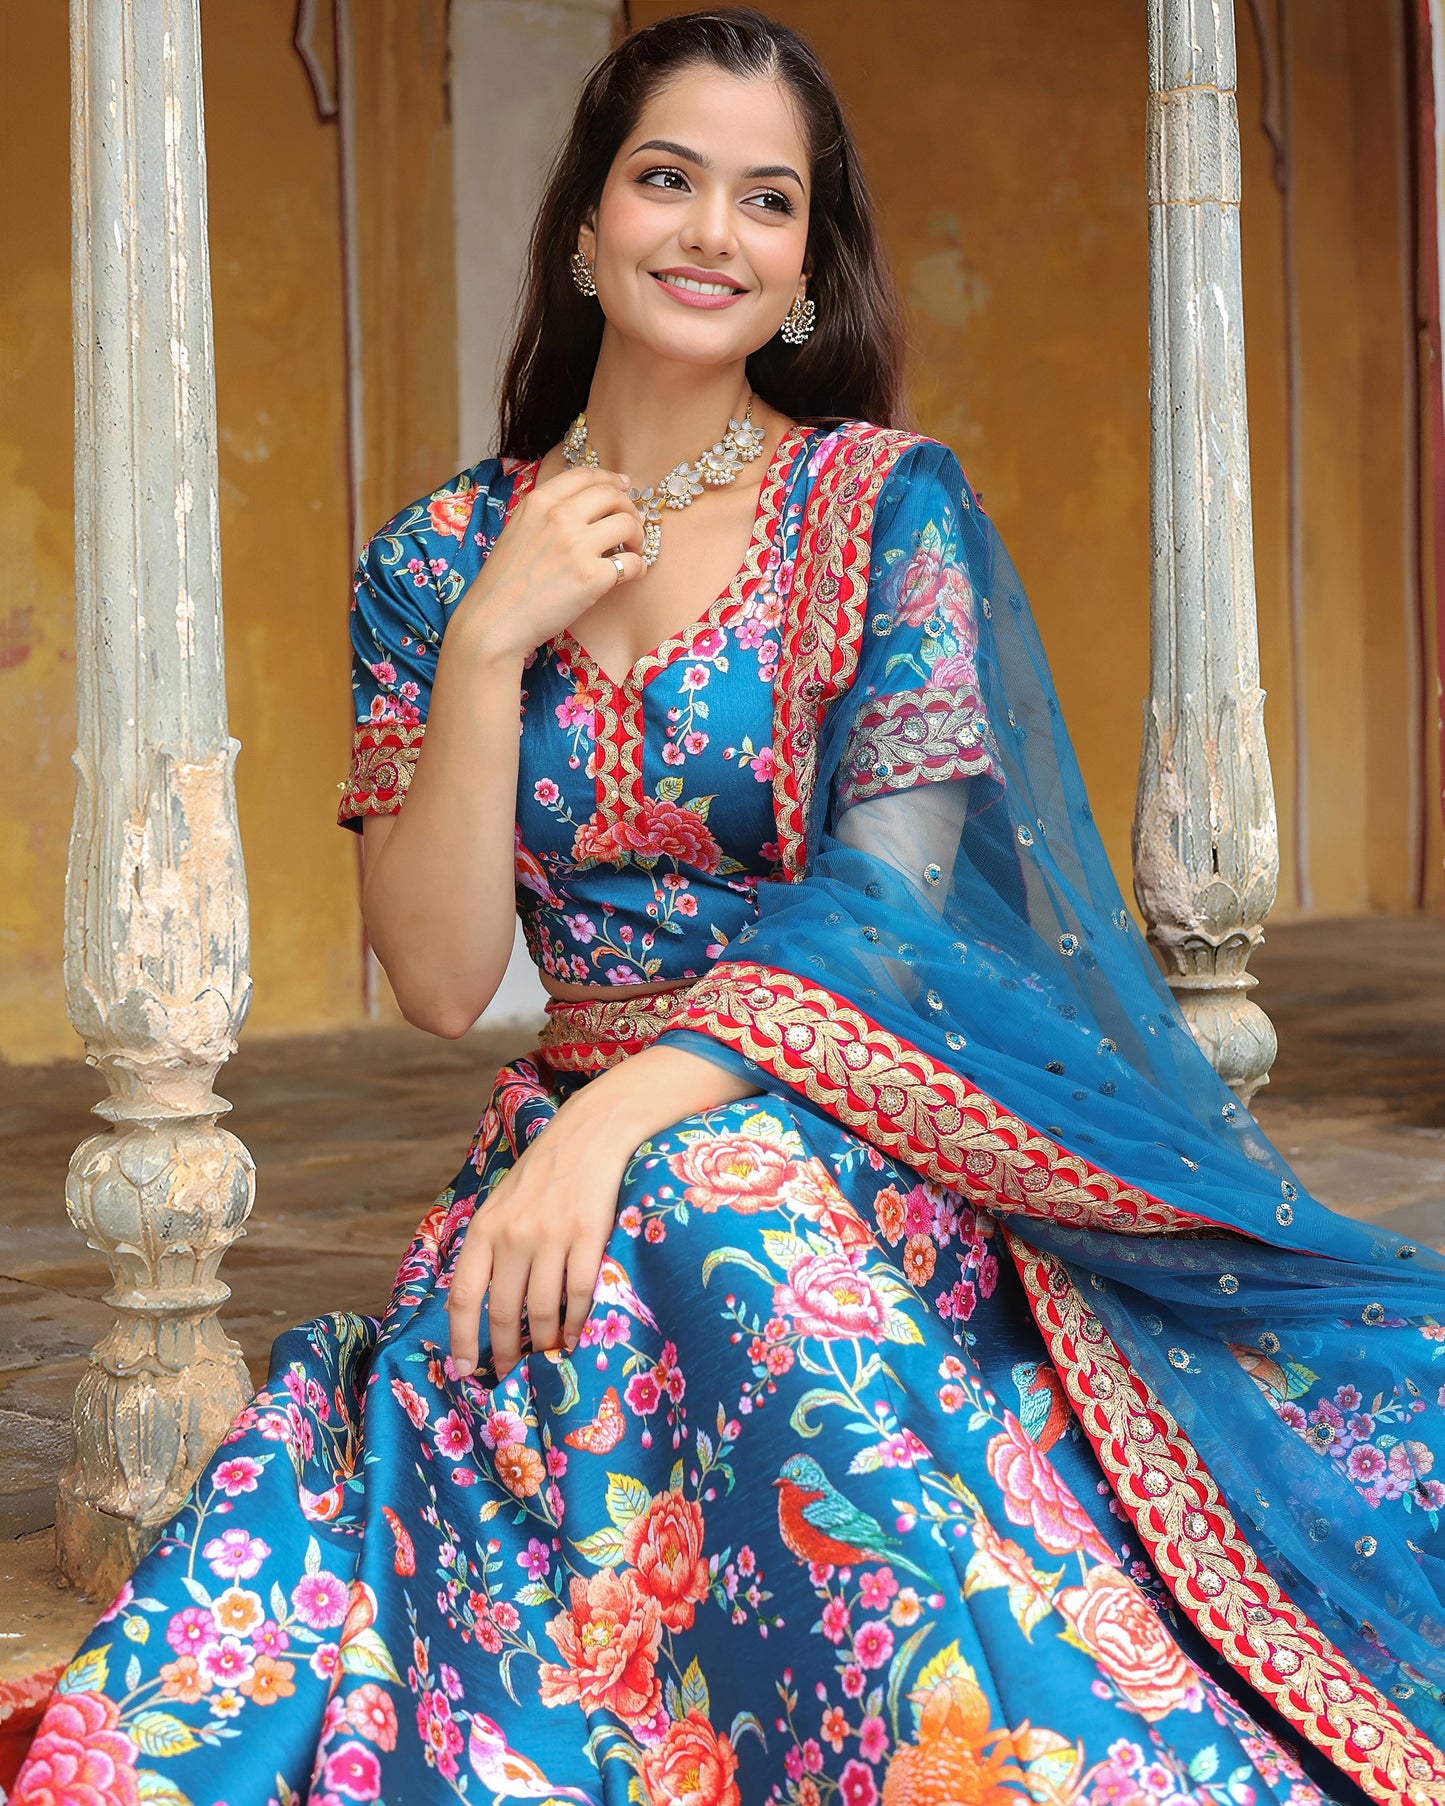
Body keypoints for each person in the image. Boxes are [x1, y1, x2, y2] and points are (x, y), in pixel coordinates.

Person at [16, 12, 1445, 1806]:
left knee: (709, 1197)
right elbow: (445, 981)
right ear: (584, 229)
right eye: (667, 179)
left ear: (802, 266)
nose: (711, 231)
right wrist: (489, 643)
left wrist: (614, 1116)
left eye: (765, 200)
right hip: (568, 1153)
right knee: (625, 1261)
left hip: (845, 1119)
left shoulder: (883, 508)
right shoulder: (436, 561)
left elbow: (886, 910)